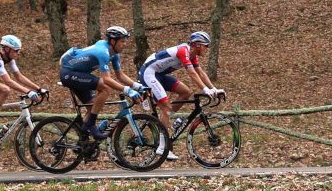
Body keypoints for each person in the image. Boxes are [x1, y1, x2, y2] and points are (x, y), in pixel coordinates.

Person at [136, 31, 223, 161]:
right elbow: (192, 73)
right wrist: (205, 89)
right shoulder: (183, 51)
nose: (207, 48)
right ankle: (162, 146)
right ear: (198, 45)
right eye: (206, 45)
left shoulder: (192, 55)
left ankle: (167, 117)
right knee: (165, 107)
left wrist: (213, 89)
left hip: (159, 74)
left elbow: (201, 73)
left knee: (186, 92)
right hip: (149, 73)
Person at [59, 26, 139, 140]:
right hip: (68, 73)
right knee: (106, 88)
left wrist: (137, 86)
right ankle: (90, 124)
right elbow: (106, 79)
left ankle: (82, 143)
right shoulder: (103, 52)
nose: (125, 44)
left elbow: (120, 75)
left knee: (93, 107)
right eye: (122, 41)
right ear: (113, 41)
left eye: (125, 41)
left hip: (79, 74)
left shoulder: (114, 54)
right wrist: (127, 90)